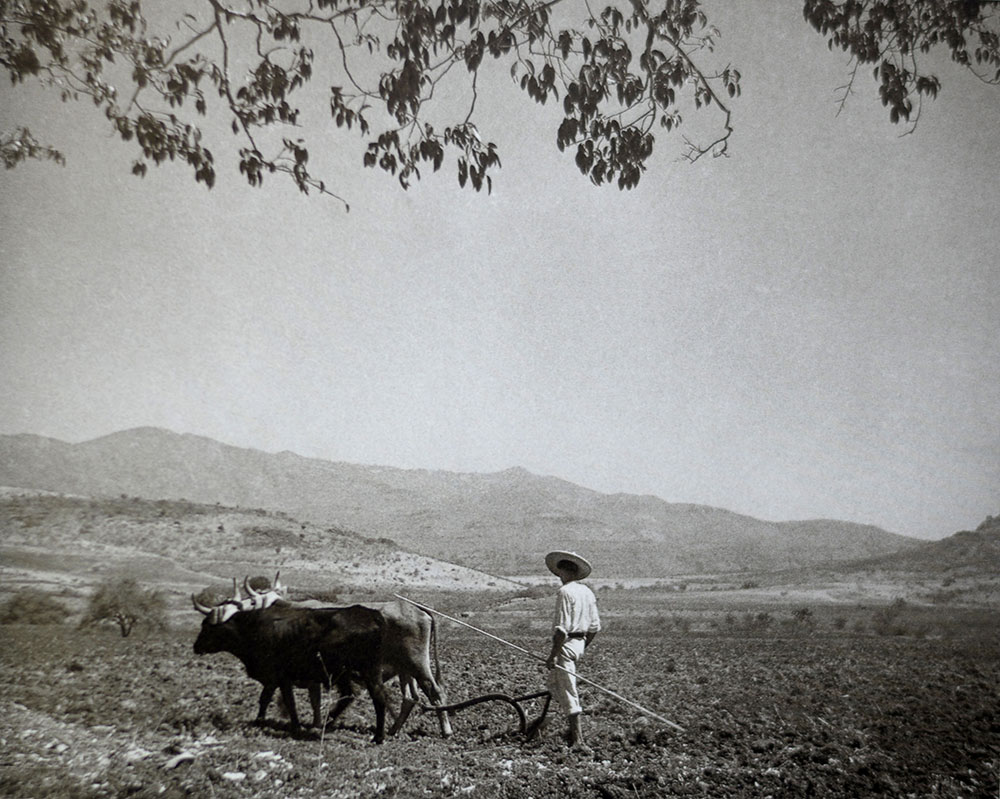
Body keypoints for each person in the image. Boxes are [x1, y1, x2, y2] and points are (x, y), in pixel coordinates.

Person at [543, 550, 601, 747]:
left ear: (564, 573)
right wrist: (582, 646)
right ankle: (543, 723)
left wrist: (552, 656)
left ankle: (577, 739)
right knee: (553, 685)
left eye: (560, 573)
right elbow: (594, 628)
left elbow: (560, 631)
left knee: (568, 692)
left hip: (565, 647)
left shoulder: (565, 592)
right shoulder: (588, 592)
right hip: (578, 645)